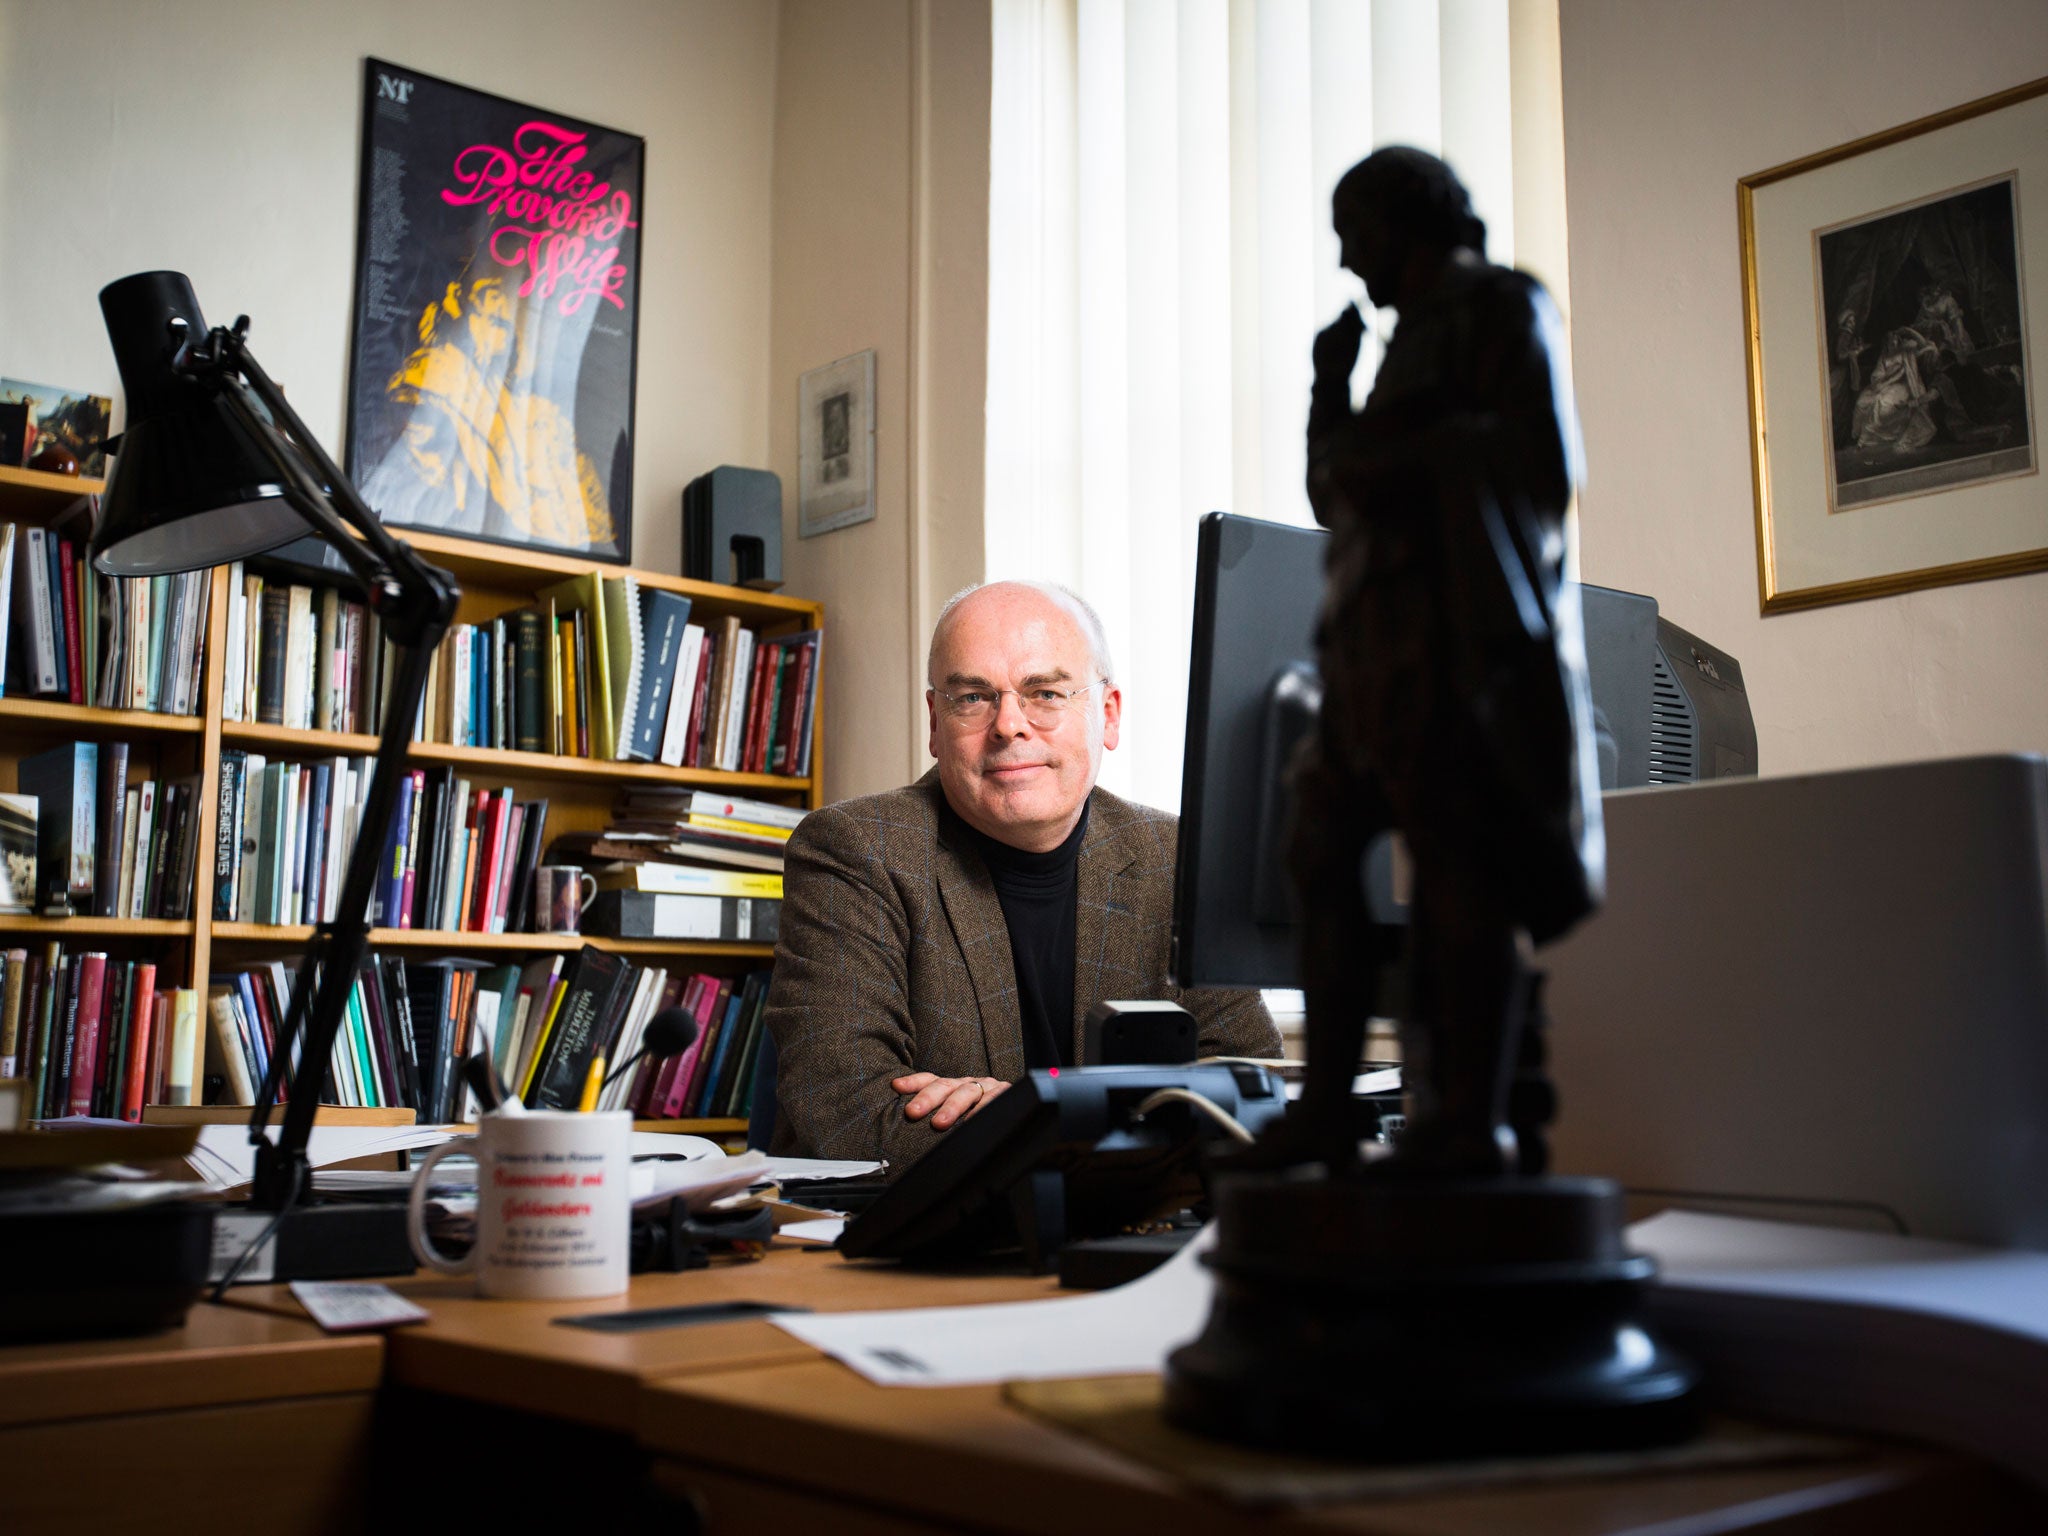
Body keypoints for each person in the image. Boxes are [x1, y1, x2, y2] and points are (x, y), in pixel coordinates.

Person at [1290, 146, 1601, 1177]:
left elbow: (1541, 475)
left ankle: (1462, 1123)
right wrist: (1328, 388)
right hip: (1368, 649)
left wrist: (1409, 451)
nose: (1345, 262)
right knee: (1319, 848)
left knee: (1459, 881)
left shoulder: (1502, 309)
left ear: (1403, 221)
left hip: (1453, 649)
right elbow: (1335, 490)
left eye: (1354, 234)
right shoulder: (1399, 342)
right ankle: (1325, 1112)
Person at [765, 580, 1279, 1169]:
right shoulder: (855, 851)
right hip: (903, 1243)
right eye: (973, 698)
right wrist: (1125, 1128)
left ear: (1107, 715)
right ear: (935, 722)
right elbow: (849, 1117)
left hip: (1128, 1225)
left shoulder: (1179, 857)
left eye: (1046, 693)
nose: (1009, 725)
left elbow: (1248, 1090)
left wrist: (1031, 1120)